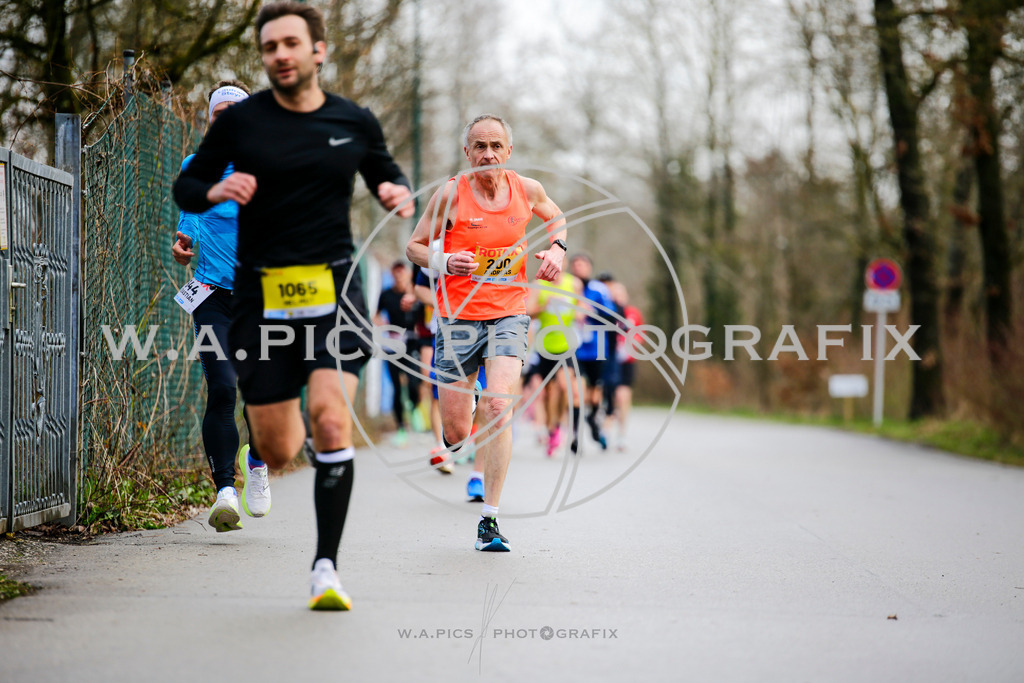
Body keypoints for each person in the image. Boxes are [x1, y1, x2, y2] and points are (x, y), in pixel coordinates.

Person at [174, 1, 413, 610]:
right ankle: (264, 455)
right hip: (260, 294)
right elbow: (187, 186)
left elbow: (385, 170)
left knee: (332, 418)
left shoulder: (353, 120)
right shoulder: (240, 124)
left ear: (317, 51)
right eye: (269, 46)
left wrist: (393, 189)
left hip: (334, 287)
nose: (280, 54)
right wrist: (216, 188)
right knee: (279, 447)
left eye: (290, 43)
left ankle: (325, 568)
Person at [406, 113, 567, 551]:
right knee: (457, 434)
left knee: (499, 404)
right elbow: (414, 246)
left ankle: (489, 521)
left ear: (509, 151)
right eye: (479, 146)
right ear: (467, 153)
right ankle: (469, 412)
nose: (488, 154)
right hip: (457, 318)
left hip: (509, 314)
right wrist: (442, 261)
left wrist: (557, 249)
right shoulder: (450, 196)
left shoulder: (526, 190)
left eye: (496, 145)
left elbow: (556, 217)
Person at [172, 80, 271, 532]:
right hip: (211, 295)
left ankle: (258, 465)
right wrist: (183, 240)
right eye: (219, 113)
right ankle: (225, 491)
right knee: (222, 388)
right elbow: (190, 212)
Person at [526, 271, 584, 456]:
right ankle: (553, 429)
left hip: (567, 344)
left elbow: (581, 311)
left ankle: (571, 432)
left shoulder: (573, 283)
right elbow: (528, 312)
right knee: (550, 393)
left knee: (566, 385)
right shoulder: (538, 284)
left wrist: (577, 309)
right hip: (545, 345)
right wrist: (545, 306)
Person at [569, 253, 614, 450]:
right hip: (574, 347)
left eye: (583, 265)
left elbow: (611, 315)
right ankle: (576, 437)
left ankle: (593, 420)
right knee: (578, 391)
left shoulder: (599, 289)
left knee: (594, 393)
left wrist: (591, 311)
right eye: (575, 265)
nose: (579, 268)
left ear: (590, 268)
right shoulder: (567, 287)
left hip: (596, 347)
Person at [374, 259, 422, 446]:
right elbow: (375, 314)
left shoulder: (417, 293)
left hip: (412, 342)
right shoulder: (386, 294)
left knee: (413, 382)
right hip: (393, 342)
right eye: (396, 272)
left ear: (409, 273)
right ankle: (401, 427)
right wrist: (383, 325)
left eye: (402, 271)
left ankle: (414, 405)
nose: (399, 275)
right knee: (395, 386)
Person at [607, 281, 643, 451]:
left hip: (626, 360)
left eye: (621, 294)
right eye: (614, 294)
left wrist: (629, 348)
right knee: (607, 395)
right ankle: (605, 428)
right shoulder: (606, 312)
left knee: (623, 396)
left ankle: (621, 434)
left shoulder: (633, 313)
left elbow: (639, 335)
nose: (618, 298)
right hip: (607, 359)